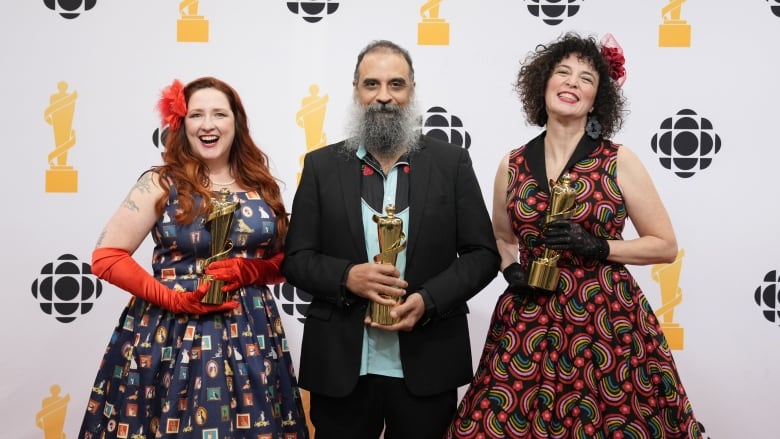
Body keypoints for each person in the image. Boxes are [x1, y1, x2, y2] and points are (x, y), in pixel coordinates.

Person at [445, 32, 702, 438]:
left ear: (597, 99)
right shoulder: (510, 164)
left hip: (605, 322)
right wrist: (512, 270)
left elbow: (665, 245)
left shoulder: (619, 160)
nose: (572, 83)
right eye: (563, 72)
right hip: (528, 318)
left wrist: (599, 247)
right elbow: (501, 236)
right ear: (543, 83)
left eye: (586, 78)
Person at [281, 40, 500, 439]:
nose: (384, 96)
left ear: (412, 90)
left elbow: (482, 255)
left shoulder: (451, 164)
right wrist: (347, 276)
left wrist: (427, 301)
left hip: (427, 362)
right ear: (355, 90)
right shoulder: (321, 166)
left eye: (396, 84)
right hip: (341, 368)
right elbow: (295, 258)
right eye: (372, 84)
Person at [79, 76, 309, 438]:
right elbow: (107, 257)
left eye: (219, 114)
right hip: (169, 331)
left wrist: (252, 270)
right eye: (196, 115)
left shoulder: (262, 185)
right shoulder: (160, 182)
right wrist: (173, 298)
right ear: (181, 125)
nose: (208, 125)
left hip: (251, 332)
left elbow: (289, 261)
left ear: (237, 123)